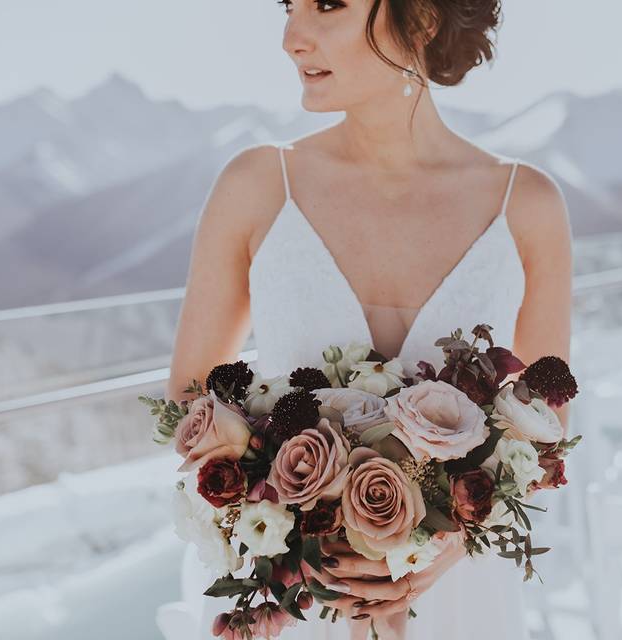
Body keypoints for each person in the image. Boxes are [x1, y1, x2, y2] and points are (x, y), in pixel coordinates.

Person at [156, 0, 572, 638]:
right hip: (295, 602)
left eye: (328, 5)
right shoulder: (257, 187)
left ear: (424, 18)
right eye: (289, 7)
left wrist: (441, 550)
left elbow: (546, 431)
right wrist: (294, 527)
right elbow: (192, 393)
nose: (294, 38)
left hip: (456, 601)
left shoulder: (527, 205)